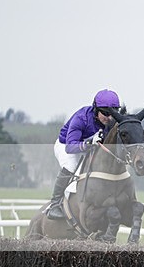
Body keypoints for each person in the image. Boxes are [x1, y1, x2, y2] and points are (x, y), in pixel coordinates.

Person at [46, 89, 121, 219]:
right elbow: (70, 147)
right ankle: (54, 205)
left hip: (89, 147)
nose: (109, 118)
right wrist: (88, 144)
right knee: (71, 166)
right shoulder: (81, 118)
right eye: (105, 113)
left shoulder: (111, 121)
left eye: (113, 114)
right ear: (96, 109)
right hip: (66, 145)